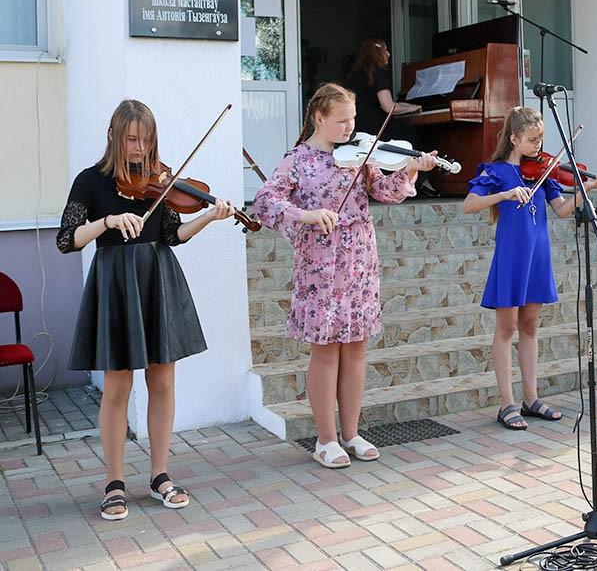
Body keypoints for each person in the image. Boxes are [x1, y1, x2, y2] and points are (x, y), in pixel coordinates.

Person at [57, 99, 234, 520]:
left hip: (157, 277)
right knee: (118, 386)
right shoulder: (90, 181)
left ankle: (160, 476)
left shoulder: (160, 180)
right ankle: (114, 483)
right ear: (113, 136)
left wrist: (209, 218)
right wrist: (107, 222)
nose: (140, 148)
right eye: (132, 139)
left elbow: (173, 235)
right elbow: (67, 239)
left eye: (147, 140)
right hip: (116, 284)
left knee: (163, 381)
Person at [252, 83, 436, 467]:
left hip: (359, 258)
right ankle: (325, 440)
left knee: (356, 347)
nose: (350, 127)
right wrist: (305, 215)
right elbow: (265, 202)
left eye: (352, 118)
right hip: (320, 263)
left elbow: (384, 190)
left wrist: (410, 170)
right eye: (341, 120)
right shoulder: (298, 159)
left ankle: (351, 434)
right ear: (319, 118)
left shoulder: (358, 156)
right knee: (326, 349)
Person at [460, 106, 597, 429]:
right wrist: (504, 194)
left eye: (541, 139)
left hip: (538, 256)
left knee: (530, 326)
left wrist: (585, 190)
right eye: (532, 139)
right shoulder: (496, 171)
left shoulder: (544, 172)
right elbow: (469, 204)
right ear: (514, 139)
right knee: (506, 329)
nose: (538, 145)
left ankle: (531, 398)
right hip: (512, 257)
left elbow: (562, 210)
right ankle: (507, 403)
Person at [343, 38, 438, 197]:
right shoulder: (377, 72)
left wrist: (407, 106)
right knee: (412, 135)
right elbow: (388, 106)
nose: (388, 54)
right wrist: (413, 107)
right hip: (376, 126)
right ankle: (419, 183)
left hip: (359, 125)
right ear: (377, 53)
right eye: (385, 50)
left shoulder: (355, 74)